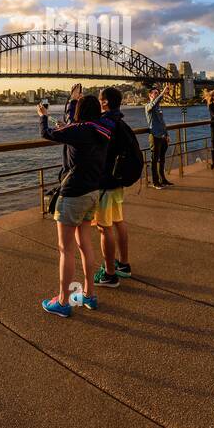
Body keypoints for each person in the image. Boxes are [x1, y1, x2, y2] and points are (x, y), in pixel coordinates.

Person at [38, 94, 110, 317]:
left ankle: (62, 301)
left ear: (78, 111)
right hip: (92, 193)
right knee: (85, 244)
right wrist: (67, 126)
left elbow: (46, 133)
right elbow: (76, 136)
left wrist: (43, 116)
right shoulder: (100, 129)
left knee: (65, 249)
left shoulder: (78, 130)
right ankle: (89, 295)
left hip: (73, 195)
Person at [92, 87, 140, 288]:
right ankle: (123, 264)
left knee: (104, 228)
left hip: (106, 183)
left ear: (105, 103)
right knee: (119, 221)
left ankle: (110, 274)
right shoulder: (121, 123)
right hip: (118, 181)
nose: (97, 101)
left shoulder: (106, 124)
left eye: (99, 99)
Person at [144, 86, 172, 188]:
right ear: (150, 95)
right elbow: (154, 103)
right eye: (155, 93)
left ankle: (163, 179)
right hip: (154, 136)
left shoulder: (159, 108)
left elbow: (162, 122)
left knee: (162, 159)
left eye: (158, 93)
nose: (157, 94)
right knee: (154, 160)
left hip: (162, 136)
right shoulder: (148, 106)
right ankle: (155, 182)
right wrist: (163, 93)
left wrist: (167, 134)